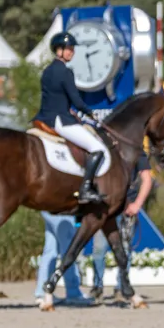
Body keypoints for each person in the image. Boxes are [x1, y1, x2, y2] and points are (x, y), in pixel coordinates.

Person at [32, 32, 107, 204]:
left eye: (72, 49)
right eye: (68, 49)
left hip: (44, 117)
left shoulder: (47, 71)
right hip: (60, 120)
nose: (71, 52)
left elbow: (53, 97)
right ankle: (86, 189)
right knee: (97, 148)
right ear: (58, 51)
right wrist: (91, 113)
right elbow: (76, 100)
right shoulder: (66, 72)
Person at [90, 152, 154, 298]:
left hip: (127, 209)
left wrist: (137, 204)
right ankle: (97, 286)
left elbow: (147, 179)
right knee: (98, 250)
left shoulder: (137, 152)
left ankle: (121, 286)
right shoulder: (106, 149)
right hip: (106, 208)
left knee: (125, 249)